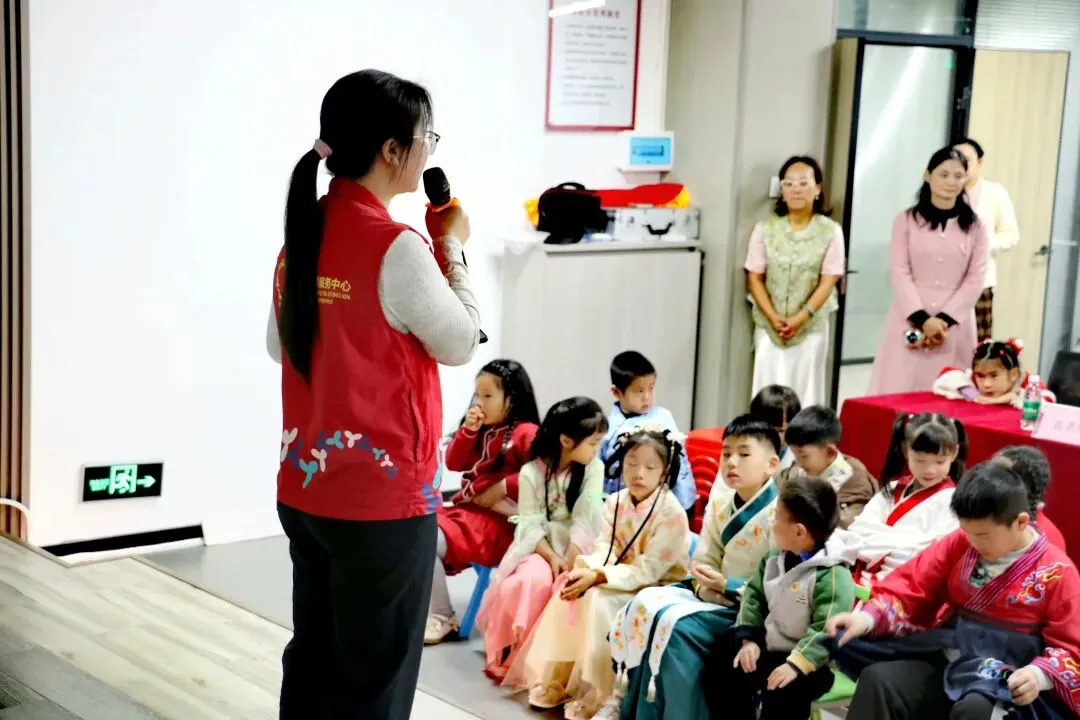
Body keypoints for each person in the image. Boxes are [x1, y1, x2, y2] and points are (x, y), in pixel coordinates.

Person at [267, 70, 481, 719]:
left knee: (315, 664)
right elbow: (460, 341)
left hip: (306, 490)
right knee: (375, 686)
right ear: (392, 150)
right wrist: (452, 246)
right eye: (426, 137)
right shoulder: (398, 246)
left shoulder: (303, 232)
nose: (429, 149)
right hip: (383, 505)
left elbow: (280, 346)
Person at [828, 463, 1080, 719]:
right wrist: (866, 618)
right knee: (877, 679)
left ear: (1021, 522)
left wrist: (1038, 675)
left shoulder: (1058, 572)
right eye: (967, 533)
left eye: (984, 535)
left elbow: (1072, 647)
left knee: (976, 709)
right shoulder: (960, 541)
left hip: (1007, 674)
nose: (973, 543)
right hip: (952, 656)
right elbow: (913, 585)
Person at [506, 426, 691, 720]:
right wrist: (590, 570)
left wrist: (600, 577)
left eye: (649, 467)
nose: (638, 474)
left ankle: (599, 693)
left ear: (665, 471)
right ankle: (560, 679)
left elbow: (649, 569)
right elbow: (606, 545)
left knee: (599, 601)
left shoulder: (672, 513)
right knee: (570, 589)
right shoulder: (616, 501)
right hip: (616, 575)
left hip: (658, 586)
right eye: (631, 464)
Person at [610, 415, 782, 720]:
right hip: (711, 595)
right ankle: (629, 707)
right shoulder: (721, 501)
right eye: (726, 453)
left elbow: (776, 584)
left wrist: (726, 586)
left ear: (771, 464)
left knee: (677, 629)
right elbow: (704, 558)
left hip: (751, 610)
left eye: (744, 454)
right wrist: (707, 584)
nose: (731, 462)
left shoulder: (779, 514)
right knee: (643, 605)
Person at [703, 475, 856, 720]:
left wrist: (796, 664)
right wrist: (749, 640)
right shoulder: (774, 558)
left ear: (798, 531)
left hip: (812, 662)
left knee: (782, 692)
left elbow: (826, 630)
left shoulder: (833, 575)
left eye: (776, 518)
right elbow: (753, 595)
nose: (771, 523)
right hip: (771, 646)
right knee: (722, 663)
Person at [477, 397, 607, 680]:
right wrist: (551, 557)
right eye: (593, 443)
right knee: (530, 581)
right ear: (566, 441)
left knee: (568, 586)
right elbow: (530, 523)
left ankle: (555, 664)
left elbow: (587, 517)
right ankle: (517, 653)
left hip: (580, 546)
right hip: (539, 546)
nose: (597, 450)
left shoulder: (593, 468)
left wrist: (570, 558)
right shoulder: (530, 473)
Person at [425, 359, 541, 644]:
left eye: (488, 395)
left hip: (500, 525)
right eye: (477, 394)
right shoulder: (480, 428)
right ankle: (430, 611)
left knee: (425, 540)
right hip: (469, 514)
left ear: (512, 399)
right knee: (415, 532)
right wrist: (467, 431)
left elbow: (542, 472)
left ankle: (442, 616)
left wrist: (503, 486)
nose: (479, 402)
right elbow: (454, 462)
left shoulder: (526, 432)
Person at [868, 146, 990, 395]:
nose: (951, 182)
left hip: (954, 324)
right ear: (927, 175)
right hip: (910, 320)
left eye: (958, 176)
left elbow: (975, 277)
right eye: (943, 174)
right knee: (900, 382)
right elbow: (899, 270)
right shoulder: (906, 220)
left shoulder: (976, 227)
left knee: (949, 388)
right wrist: (924, 320)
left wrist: (943, 320)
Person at [746, 156, 845, 407]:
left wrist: (801, 317)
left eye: (803, 183)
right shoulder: (765, 228)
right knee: (767, 389)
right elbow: (754, 277)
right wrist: (773, 317)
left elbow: (829, 280)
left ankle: (803, 433)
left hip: (810, 327)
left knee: (805, 389)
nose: (796, 190)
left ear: (818, 188)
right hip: (769, 325)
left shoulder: (830, 231)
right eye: (788, 184)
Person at [835, 412, 967, 587]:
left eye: (939, 462)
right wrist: (904, 541)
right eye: (920, 460)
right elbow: (859, 530)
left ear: (954, 453)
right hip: (862, 575)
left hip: (906, 585)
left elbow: (931, 555)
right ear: (906, 450)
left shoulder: (953, 502)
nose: (929, 470)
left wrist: (883, 540)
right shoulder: (892, 488)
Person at [598, 351, 694, 511]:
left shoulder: (664, 417)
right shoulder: (608, 427)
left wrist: (684, 503)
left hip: (662, 503)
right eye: (639, 391)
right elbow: (597, 467)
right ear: (616, 392)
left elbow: (680, 462)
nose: (647, 397)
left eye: (651, 388)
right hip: (621, 503)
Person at [954, 138, 1020, 342]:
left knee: (978, 344)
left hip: (979, 283)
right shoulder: (941, 192)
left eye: (967, 160)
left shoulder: (994, 193)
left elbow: (1010, 235)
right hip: (941, 282)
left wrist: (980, 243)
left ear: (979, 163)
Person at [778, 405, 877, 528]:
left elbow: (845, 525)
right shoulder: (799, 470)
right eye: (795, 455)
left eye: (803, 456)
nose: (798, 462)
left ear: (830, 452)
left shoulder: (855, 481)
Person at [933, 337, 1056, 408]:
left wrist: (1016, 396)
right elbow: (946, 375)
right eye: (981, 376)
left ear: (1013, 374)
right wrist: (972, 394)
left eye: (994, 376)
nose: (986, 384)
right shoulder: (973, 377)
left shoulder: (1027, 382)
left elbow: (1048, 401)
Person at [991, 445, 1066, 551]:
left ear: (1024, 488)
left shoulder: (1048, 539)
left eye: (997, 476)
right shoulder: (982, 516)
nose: (984, 479)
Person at [749, 384, 801, 470]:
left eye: (782, 430)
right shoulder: (741, 453)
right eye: (772, 430)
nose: (777, 437)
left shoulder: (800, 460)